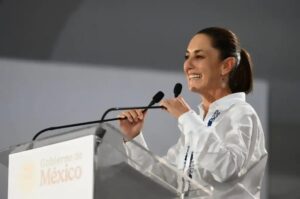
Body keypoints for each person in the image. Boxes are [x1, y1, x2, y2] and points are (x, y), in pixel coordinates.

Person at [119, 27, 268, 198]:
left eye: (199, 56)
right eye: (187, 56)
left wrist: (186, 117)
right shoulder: (198, 123)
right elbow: (161, 179)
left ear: (226, 66)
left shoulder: (241, 113)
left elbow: (226, 167)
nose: (187, 65)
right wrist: (133, 137)